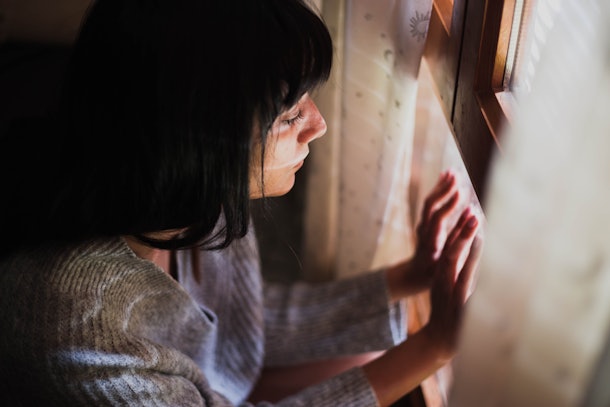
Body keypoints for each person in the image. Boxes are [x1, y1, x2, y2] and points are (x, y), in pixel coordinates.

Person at [0, 0, 481, 405]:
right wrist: (434, 348)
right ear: (202, 144)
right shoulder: (77, 330)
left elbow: (239, 319)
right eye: (290, 114)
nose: (319, 125)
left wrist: (408, 276)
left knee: (376, 353)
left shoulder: (186, 196)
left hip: (205, 379)